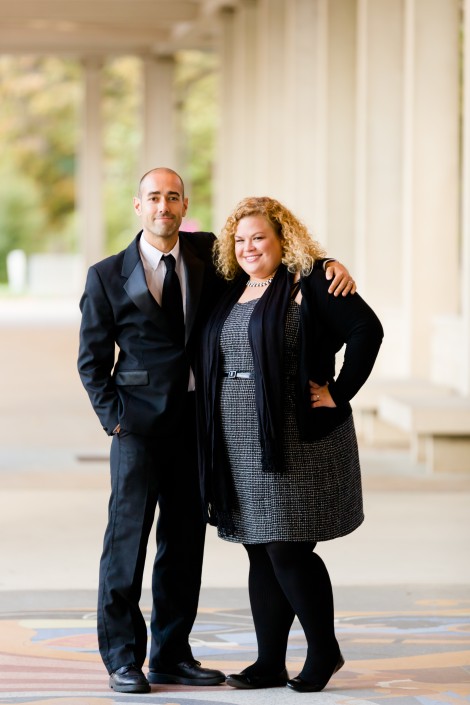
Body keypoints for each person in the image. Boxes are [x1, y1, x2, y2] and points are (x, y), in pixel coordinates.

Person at [77, 168, 355, 694]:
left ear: (185, 206)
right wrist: (114, 418)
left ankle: (171, 655)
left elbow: (271, 250)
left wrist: (326, 266)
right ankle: (121, 658)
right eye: (154, 197)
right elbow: (91, 362)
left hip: (199, 428)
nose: (164, 205)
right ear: (139, 207)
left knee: (183, 545)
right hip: (137, 429)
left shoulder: (211, 254)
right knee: (127, 544)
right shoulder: (106, 275)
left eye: (173, 197)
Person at [198, 196, 383, 693]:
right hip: (238, 436)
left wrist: (338, 391)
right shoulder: (230, 285)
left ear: (284, 239)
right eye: (239, 239)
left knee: (287, 546)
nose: (248, 247)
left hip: (296, 435)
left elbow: (368, 330)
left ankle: (324, 650)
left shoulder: (313, 281)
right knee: (259, 548)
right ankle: (269, 663)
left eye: (259, 237)